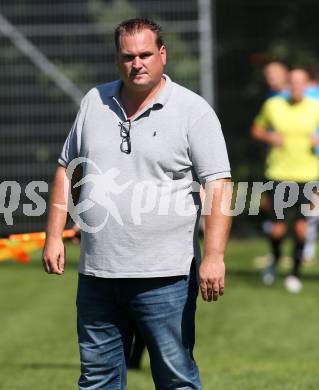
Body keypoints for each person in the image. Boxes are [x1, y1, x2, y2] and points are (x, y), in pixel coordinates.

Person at [42, 17, 231, 389]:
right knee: (97, 379)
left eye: (145, 54)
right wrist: (54, 234)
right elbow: (68, 170)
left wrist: (213, 256)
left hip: (167, 277)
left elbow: (218, 185)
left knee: (176, 379)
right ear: (118, 60)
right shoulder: (93, 102)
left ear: (163, 55)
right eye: (128, 56)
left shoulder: (192, 110)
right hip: (98, 274)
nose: (137, 63)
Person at [251, 67, 319, 293]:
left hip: (308, 176)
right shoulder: (274, 105)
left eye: (302, 82)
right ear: (288, 84)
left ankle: (294, 274)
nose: (297, 86)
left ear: (307, 84)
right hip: (279, 174)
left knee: (301, 229)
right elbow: (257, 130)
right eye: (293, 82)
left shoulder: (315, 106)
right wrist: (270, 136)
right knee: (278, 230)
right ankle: (276, 258)